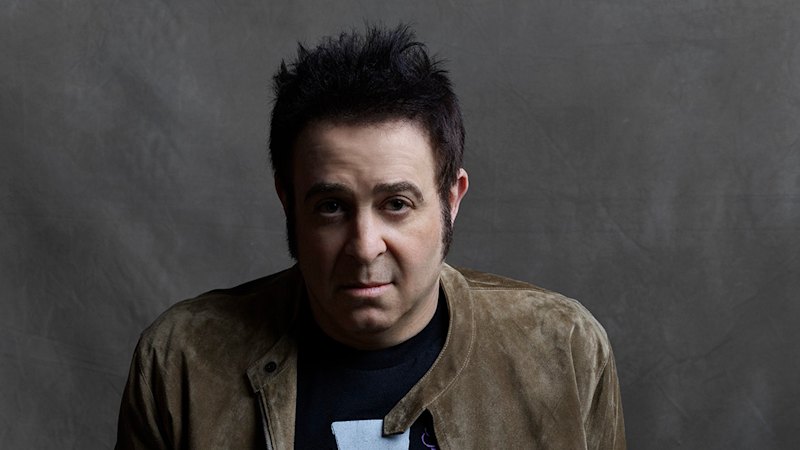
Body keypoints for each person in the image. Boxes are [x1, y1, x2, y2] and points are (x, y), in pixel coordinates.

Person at [116, 24, 625, 449]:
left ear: (451, 199)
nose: (364, 247)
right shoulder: (180, 362)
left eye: (396, 204)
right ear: (288, 203)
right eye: (331, 207)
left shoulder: (564, 351)